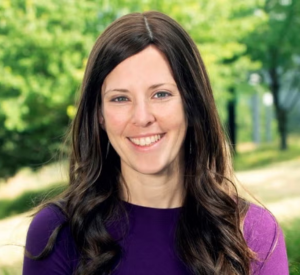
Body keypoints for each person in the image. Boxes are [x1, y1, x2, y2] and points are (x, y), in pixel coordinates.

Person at [23, 11, 289, 275]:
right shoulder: (58, 234)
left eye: (161, 94)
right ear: (99, 115)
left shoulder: (252, 233)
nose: (142, 117)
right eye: (120, 98)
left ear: (192, 102)